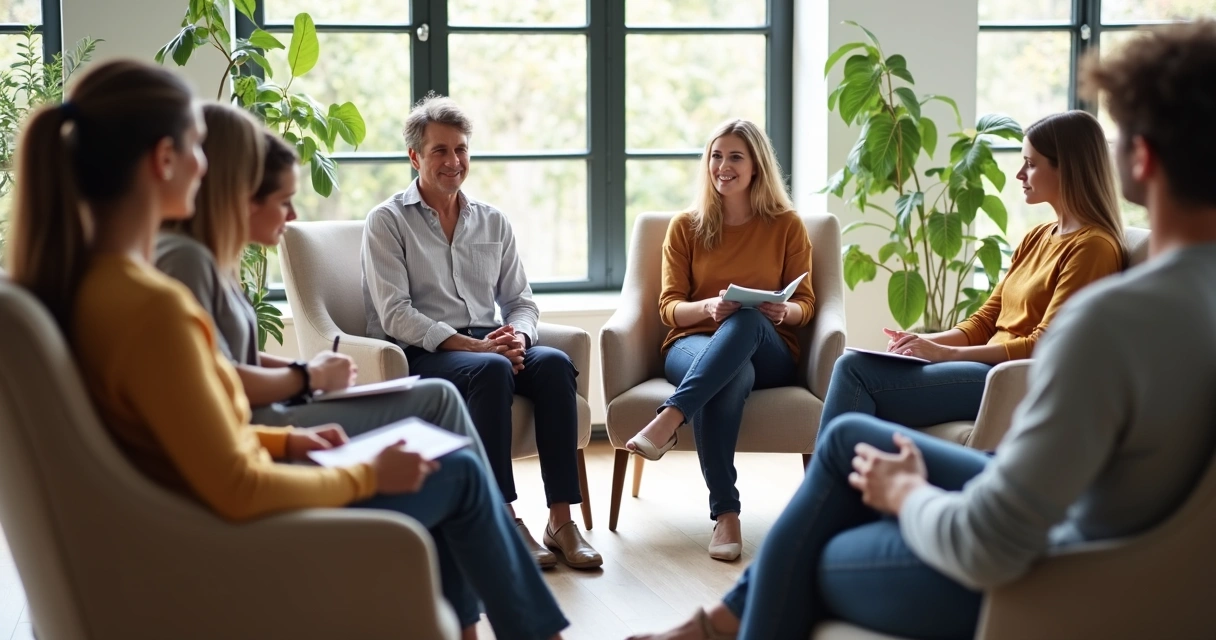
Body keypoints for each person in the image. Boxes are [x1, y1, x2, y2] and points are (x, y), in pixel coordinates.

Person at [628, 20, 1216, 640]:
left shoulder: (1112, 316)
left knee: (813, 550)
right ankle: (722, 615)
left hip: (1069, 559)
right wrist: (937, 346)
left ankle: (725, 617)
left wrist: (909, 491)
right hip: (1112, 529)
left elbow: (994, 537)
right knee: (849, 434)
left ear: (1142, 157)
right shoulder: (1156, 293)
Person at [6, 59, 568, 640]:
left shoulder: (92, 287)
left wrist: (289, 438)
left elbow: (192, 429)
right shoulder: (154, 305)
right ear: (164, 161)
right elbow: (238, 484)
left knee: (452, 466)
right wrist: (365, 472)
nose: (209, 170)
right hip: (230, 536)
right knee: (461, 478)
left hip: (185, 517)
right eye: (200, 148)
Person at [155, 103, 490, 470]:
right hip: (265, 421)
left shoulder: (214, 260)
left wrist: (305, 368)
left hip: (277, 408)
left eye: (461, 149)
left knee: (445, 406)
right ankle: (487, 507)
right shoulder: (187, 261)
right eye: (283, 200)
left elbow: (231, 357)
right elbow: (213, 378)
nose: (294, 215)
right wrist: (307, 376)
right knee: (451, 432)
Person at [362, 93, 601, 571]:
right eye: (440, 151)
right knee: (490, 369)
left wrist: (521, 337)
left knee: (553, 364)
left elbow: (521, 302)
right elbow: (395, 314)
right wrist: (474, 345)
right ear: (415, 157)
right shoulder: (386, 221)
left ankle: (560, 519)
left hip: (490, 343)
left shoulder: (492, 220)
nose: (454, 161)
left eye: (462, 149)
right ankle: (502, 517)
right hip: (425, 351)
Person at [820, 110, 1126, 435]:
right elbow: (985, 321)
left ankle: (834, 480)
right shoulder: (1038, 236)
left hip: (1016, 380)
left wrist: (947, 354)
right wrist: (923, 342)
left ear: (1069, 169)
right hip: (986, 370)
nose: (1020, 174)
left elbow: (1047, 344)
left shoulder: (1093, 247)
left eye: (1032, 164)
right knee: (856, 364)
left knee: (855, 373)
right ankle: (854, 480)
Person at [624, 118, 816, 562]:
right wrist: (709, 308)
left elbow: (806, 304)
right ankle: (726, 515)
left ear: (756, 167)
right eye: (716, 156)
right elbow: (669, 307)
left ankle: (670, 417)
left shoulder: (787, 225)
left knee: (746, 322)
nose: (722, 166)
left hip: (769, 347)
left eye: (735, 157)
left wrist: (784, 310)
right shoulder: (685, 227)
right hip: (691, 344)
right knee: (729, 376)